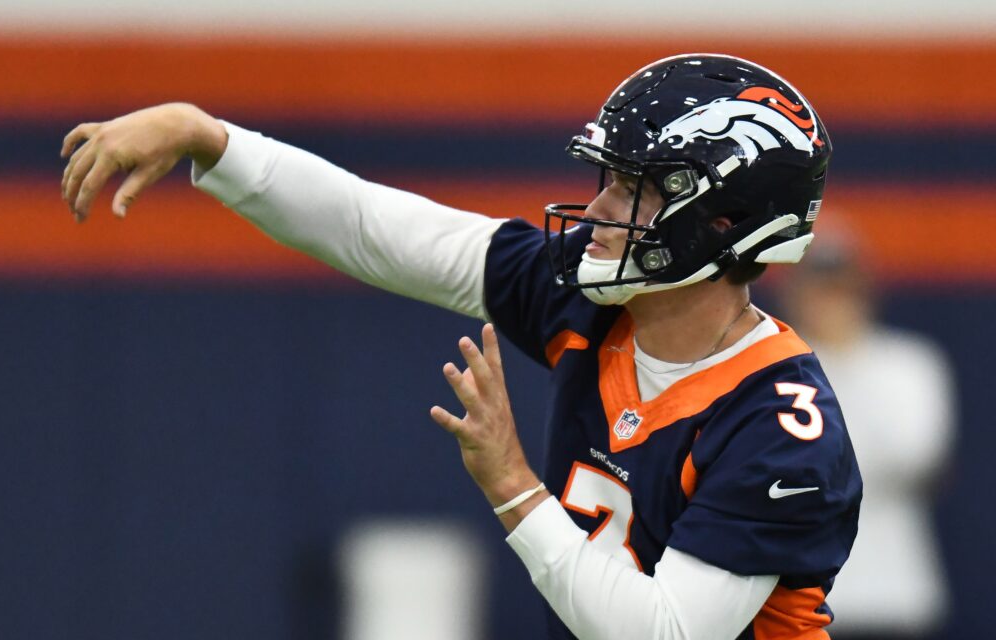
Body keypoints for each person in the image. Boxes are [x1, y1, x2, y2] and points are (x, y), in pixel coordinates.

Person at [60, 54, 862, 640]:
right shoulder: (592, 299)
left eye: (632, 187)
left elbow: (663, 634)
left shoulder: (780, 429)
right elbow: (380, 229)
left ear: (721, 222)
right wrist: (210, 138)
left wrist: (513, 485)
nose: (598, 208)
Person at [779, 238, 953, 640]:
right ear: (796, 295)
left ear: (865, 292)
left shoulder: (911, 363)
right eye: (820, 290)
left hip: (892, 597)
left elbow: (914, 457)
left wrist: (844, 356)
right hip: (797, 605)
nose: (832, 304)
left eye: (841, 290)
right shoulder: (775, 370)